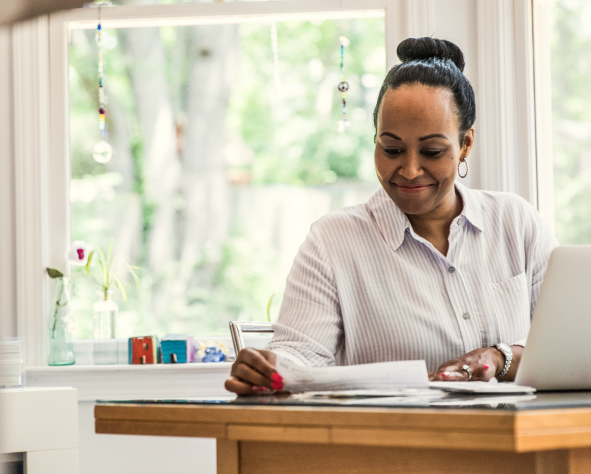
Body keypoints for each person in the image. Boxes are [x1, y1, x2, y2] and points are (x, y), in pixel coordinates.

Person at [225, 37, 557, 396]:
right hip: (397, 445)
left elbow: (566, 342)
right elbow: (302, 357)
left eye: (431, 151)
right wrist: (271, 369)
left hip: (518, 441)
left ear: (465, 144)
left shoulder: (517, 222)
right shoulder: (332, 241)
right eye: (392, 149)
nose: (410, 170)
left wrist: (499, 357)